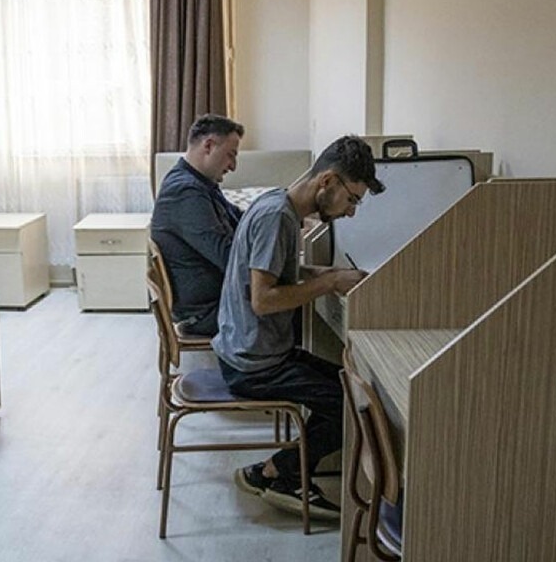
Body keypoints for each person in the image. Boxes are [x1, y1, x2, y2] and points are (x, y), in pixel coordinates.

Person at [213, 135, 385, 521]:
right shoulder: (277, 218)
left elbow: (278, 273)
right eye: (352, 199)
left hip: (256, 350)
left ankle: (281, 472)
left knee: (346, 385)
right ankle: (278, 472)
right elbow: (263, 299)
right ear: (327, 182)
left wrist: (327, 273)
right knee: (350, 405)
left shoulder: (281, 206)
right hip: (253, 364)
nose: (351, 212)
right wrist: (329, 282)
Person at [149, 113, 246, 337]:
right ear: (209, 146)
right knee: (300, 307)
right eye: (231, 155)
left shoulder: (200, 183)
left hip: (214, 303)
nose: (233, 166)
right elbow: (228, 257)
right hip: (207, 313)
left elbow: (238, 217)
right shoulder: (186, 192)